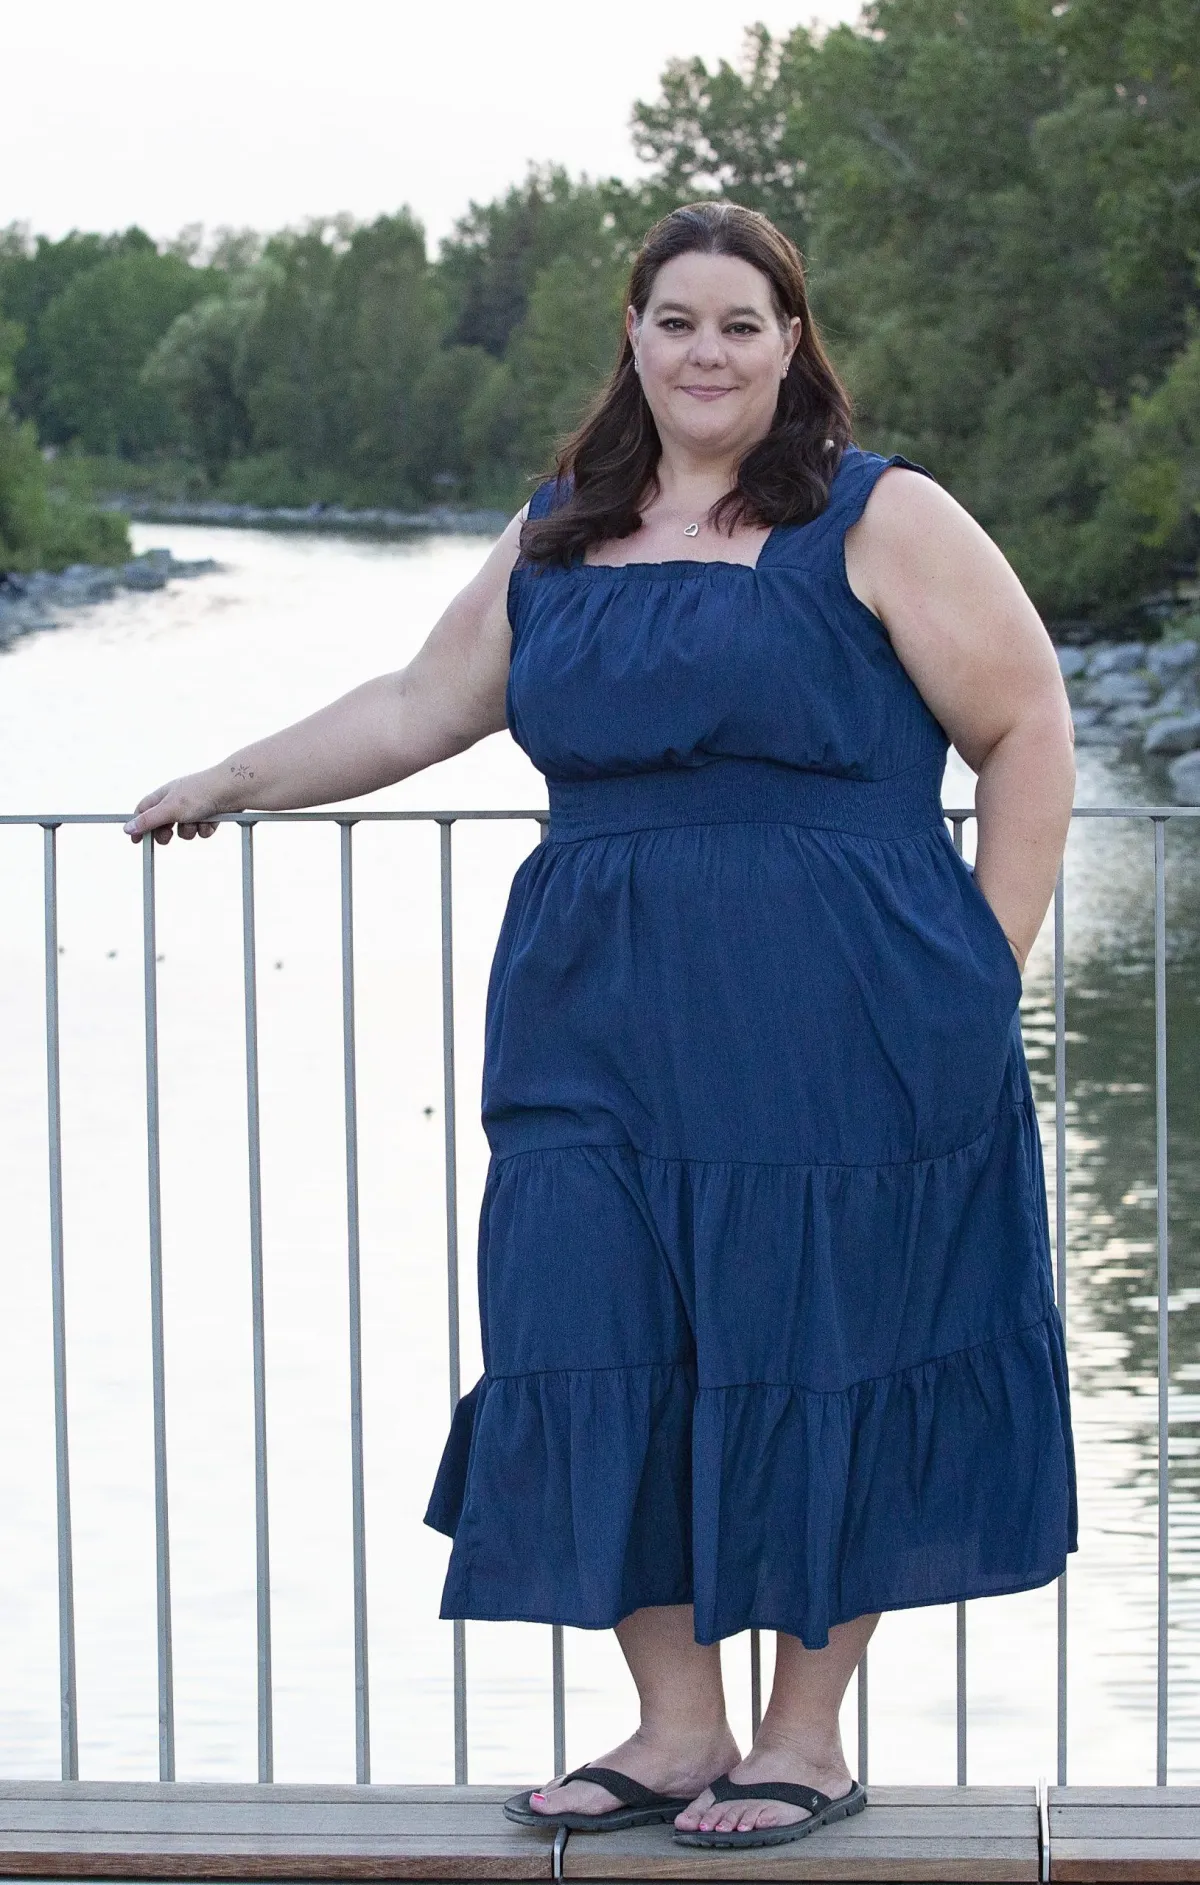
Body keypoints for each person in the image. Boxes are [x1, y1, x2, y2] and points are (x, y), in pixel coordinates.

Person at [126, 201, 1077, 1851]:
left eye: (742, 323)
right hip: (592, 1020)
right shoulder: (559, 529)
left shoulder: (881, 516)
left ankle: (803, 1739)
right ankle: (677, 1727)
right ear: (631, 334)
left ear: (792, 344)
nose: (708, 351)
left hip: (846, 1021)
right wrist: (234, 777)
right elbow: (420, 705)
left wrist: (982, 971)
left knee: (819, 1342)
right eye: (677, 319)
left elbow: (1030, 724)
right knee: (590, 1323)